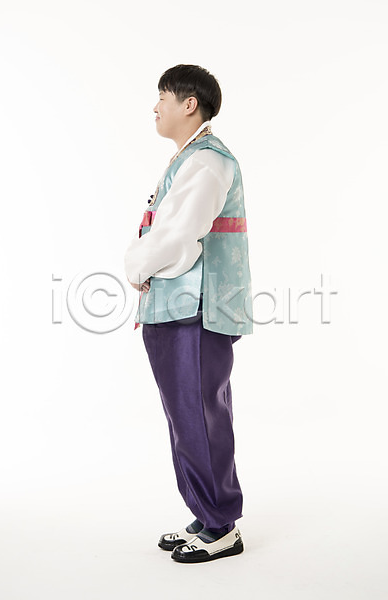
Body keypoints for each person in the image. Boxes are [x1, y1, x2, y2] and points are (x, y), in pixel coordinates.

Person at [124, 64, 253, 563]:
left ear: (189, 104)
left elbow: (179, 233)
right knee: (187, 416)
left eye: (163, 97)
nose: (155, 106)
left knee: (198, 415)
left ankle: (221, 526)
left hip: (195, 309)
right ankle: (206, 512)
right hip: (179, 306)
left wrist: (137, 264)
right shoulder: (190, 159)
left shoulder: (208, 162)